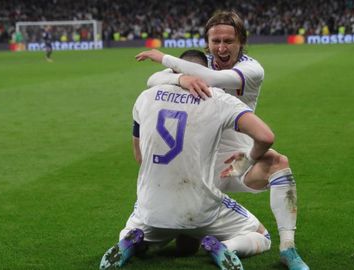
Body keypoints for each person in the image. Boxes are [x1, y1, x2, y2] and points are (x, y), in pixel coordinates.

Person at [135, 11, 309, 270]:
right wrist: (179, 78)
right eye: (215, 41)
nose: (221, 47)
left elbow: (214, 80)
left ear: (241, 42)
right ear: (207, 42)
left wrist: (165, 58)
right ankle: (187, 240)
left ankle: (289, 249)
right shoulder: (197, 64)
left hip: (236, 162)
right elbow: (154, 80)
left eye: (228, 41)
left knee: (277, 162)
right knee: (185, 248)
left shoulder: (251, 69)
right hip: (195, 163)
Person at [100, 50, 273, 270]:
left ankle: (131, 243)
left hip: (151, 209)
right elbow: (266, 137)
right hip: (202, 210)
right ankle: (227, 247)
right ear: (205, 72)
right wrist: (246, 160)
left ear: (172, 72)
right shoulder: (219, 100)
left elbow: (139, 156)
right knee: (262, 236)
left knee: (135, 231)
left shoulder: (145, 97)